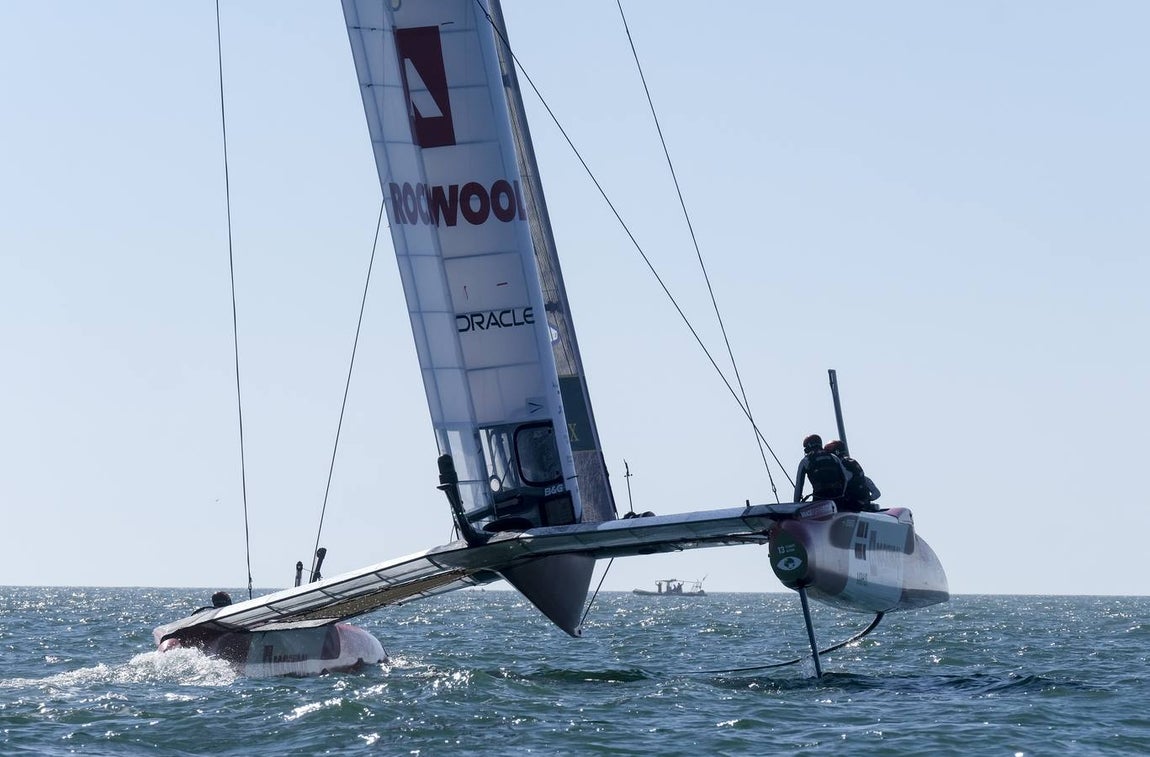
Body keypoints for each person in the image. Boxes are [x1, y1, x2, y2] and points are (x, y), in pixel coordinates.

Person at [824, 440, 881, 512]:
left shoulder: (840, 465)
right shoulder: (853, 464)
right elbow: (877, 493)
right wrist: (866, 499)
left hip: (851, 507)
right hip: (863, 506)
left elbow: (845, 481)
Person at [793, 433, 850, 505]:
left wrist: (795, 504)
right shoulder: (834, 457)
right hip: (837, 498)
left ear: (809, 446)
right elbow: (845, 479)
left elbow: (799, 485)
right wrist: (841, 495)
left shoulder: (806, 460)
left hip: (820, 499)